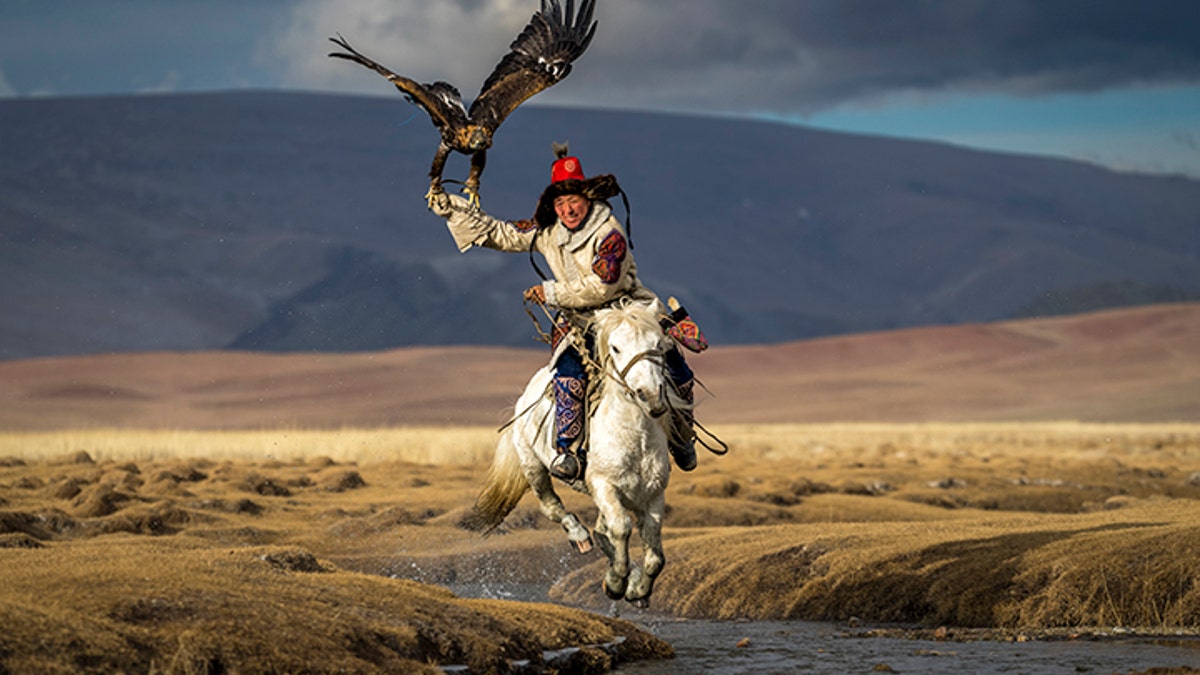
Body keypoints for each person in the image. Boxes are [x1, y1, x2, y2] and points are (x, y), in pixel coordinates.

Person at [429, 144, 703, 482]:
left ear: (587, 199)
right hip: (579, 320)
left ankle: (682, 437)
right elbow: (499, 233)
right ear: (553, 206)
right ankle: (567, 450)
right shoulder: (546, 230)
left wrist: (551, 292)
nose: (568, 208)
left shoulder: (610, 233)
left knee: (675, 368)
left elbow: (604, 286)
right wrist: (453, 210)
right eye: (560, 203)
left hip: (625, 309)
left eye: (573, 200)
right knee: (568, 371)